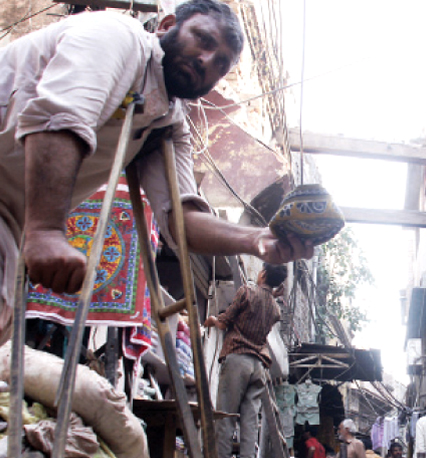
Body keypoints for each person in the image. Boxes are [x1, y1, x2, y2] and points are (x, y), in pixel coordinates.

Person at [0, 0, 313, 340]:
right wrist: (46, 231)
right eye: (203, 40)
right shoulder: (117, 36)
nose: (206, 60)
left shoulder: (168, 121)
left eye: (220, 64)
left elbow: (182, 221)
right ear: (166, 25)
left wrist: (257, 240)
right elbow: (59, 118)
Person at [204, 263, 287, 458]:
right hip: (259, 366)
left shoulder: (247, 292)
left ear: (262, 274)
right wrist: (273, 293)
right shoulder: (275, 309)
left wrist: (211, 320)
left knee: (226, 421)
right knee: (250, 430)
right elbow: (268, 303)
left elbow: (223, 322)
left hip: (237, 359)